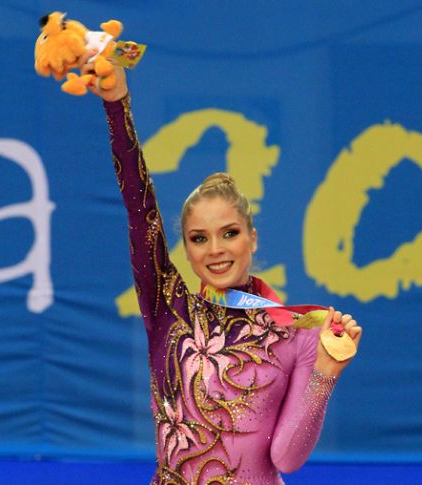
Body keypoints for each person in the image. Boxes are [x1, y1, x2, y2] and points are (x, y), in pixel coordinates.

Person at [80, 53, 362, 484]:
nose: (215, 250)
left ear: (252, 238)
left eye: (229, 233)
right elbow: (140, 210)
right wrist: (116, 104)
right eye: (199, 238)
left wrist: (325, 371)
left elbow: (286, 458)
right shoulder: (167, 308)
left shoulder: (297, 332)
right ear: (187, 251)